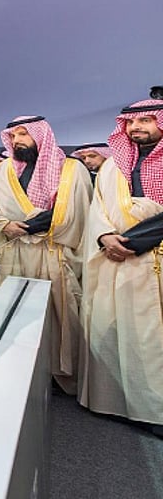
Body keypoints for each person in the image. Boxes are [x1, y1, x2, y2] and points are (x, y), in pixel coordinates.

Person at [0, 115, 91, 394]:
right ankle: (15, 371)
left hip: (51, 253)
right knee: (14, 313)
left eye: (23, 134)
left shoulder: (72, 170)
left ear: (40, 135)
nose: (17, 140)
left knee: (56, 315)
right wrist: (5, 225)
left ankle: (56, 375)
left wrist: (27, 227)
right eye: (13, 136)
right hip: (14, 254)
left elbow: (74, 211)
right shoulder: (4, 171)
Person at [79, 100, 163, 430]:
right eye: (130, 122)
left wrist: (131, 242)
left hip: (152, 258)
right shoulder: (113, 166)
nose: (135, 127)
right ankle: (119, 403)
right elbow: (97, 208)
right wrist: (104, 236)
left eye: (146, 120)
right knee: (123, 335)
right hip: (119, 263)